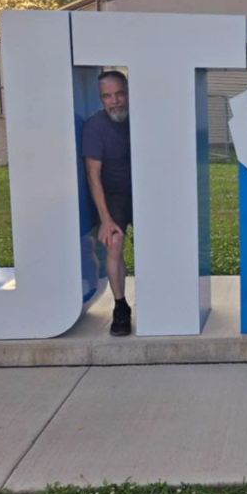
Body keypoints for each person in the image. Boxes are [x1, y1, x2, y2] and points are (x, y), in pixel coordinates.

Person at [82, 70, 134, 336]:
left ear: (128, 93)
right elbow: (93, 175)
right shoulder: (95, 126)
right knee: (113, 242)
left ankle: (162, 301)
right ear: (100, 99)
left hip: (146, 190)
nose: (115, 101)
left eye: (119, 94)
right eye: (107, 96)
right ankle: (120, 307)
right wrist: (105, 219)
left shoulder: (143, 118)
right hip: (113, 195)